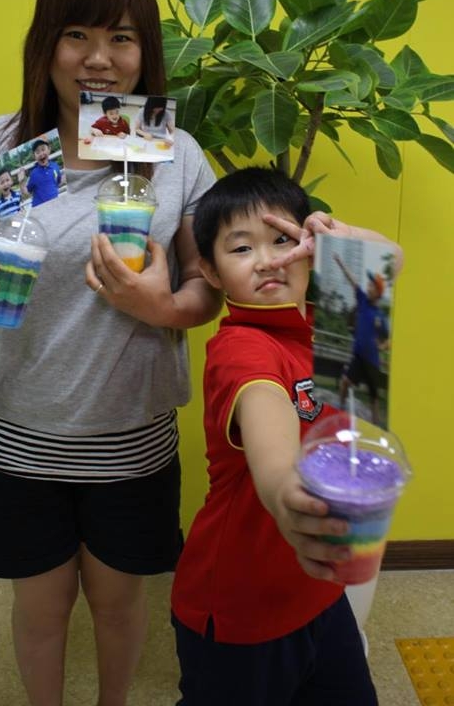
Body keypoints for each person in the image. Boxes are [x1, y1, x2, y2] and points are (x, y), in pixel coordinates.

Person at [0, 0, 221, 706]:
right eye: (77, 35)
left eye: (121, 37)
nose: (99, 59)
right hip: (17, 426)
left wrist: (160, 307)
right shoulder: (0, 145)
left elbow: (206, 289)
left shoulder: (174, 154)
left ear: (144, 50)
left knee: (119, 604)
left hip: (129, 433)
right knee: (41, 606)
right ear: (46, 44)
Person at [170, 165, 402, 706]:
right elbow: (268, 429)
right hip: (240, 608)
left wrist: (337, 237)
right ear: (210, 271)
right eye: (241, 248)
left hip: (319, 589)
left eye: (281, 240)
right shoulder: (241, 347)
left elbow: (387, 259)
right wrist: (285, 494)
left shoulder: (332, 322)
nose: (268, 260)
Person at [334, 254, 390, 425]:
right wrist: (341, 263)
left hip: (372, 362)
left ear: (378, 292)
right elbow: (353, 281)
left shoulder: (380, 316)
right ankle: (340, 408)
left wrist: (381, 346)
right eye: (369, 284)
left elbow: (387, 339)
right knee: (345, 382)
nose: (368, 286)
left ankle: (376, 424)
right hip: (358, 357)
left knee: (373, 397)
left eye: (371, 285)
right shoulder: (363, 300)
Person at [18, 137, 63, 207]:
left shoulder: (55, 166)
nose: (41, 154)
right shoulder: (34, 174)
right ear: (34, 156)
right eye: (37, 152)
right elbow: (26, 193)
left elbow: (58, 182)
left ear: (49, 149)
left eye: (43, 149)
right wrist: (21, 182)